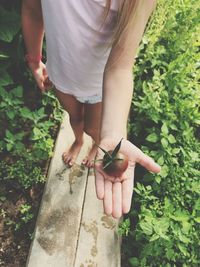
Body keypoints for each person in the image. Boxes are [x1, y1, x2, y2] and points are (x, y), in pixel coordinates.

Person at [21, 0, 161, 218]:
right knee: (74, 118)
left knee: (95, 129)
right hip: (61, 76)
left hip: (100, 86)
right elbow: (32, 7)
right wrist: (35, 60)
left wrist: (113, 134)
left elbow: (121, 66)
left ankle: (96, 145)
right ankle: (78, 141)